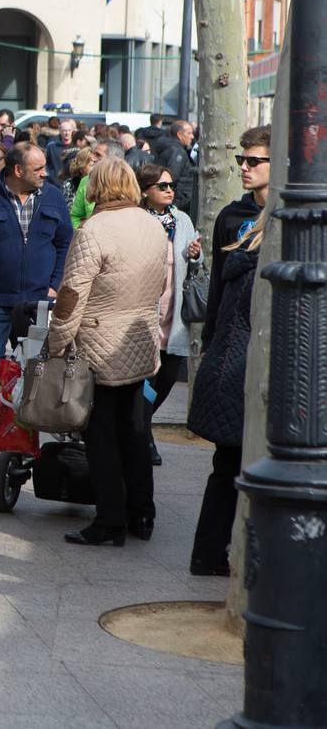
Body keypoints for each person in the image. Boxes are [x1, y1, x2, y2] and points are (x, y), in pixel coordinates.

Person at [46, 158, 169, 546]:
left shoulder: (94, 230)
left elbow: (71, 296)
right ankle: (142, 514)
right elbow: (162, 281)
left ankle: (110, 519)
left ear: (96, 187)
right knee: (135, 430)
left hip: (100, 342)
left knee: (101, 435)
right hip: (140, 339)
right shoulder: (153, 225)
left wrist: (56, 343)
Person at [0, 143, 73, 447]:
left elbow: (65, 244)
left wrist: (55, 283)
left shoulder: (53, 197)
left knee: (36, 367)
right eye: (38, 168)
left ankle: (27, 423)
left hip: (39, 302)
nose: (44, 173)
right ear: (17, 170)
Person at [188, 208, 266, 576]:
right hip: (241, 375)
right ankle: (215, 555)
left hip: (226, 370)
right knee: (236, 469)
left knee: (226, 469)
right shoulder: (261, 266)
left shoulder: (245, 255)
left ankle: (209, 554)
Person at [136, 163, 203, 467]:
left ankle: (142, 421)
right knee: (144, 373)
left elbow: (195, 261)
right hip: (143, 311)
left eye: (171, 185)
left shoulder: (182, 220)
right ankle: (143, 434)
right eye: (162, 186)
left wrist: (195, 255)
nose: (169, 190)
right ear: (145, 191)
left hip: (174, 312)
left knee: (169, 373)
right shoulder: (137, 220)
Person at [203, 126, 271, 354]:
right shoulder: (229, 216)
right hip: (232, 337)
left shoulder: (291, 217)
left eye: (253, 161)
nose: (243, 167)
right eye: (242, 159)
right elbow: (217, 283)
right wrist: (209, 340)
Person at [150, 120, 197, 215]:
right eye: (189, 133)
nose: (192, 137)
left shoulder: (169, 148)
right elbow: (172, 177)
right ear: (179, 134)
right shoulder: (177, 151)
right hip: (178, 202)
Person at [66, 148, 100, 227]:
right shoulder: (70, 184)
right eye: (92, 165)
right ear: (82, 167)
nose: (95, 167)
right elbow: (73, 215)